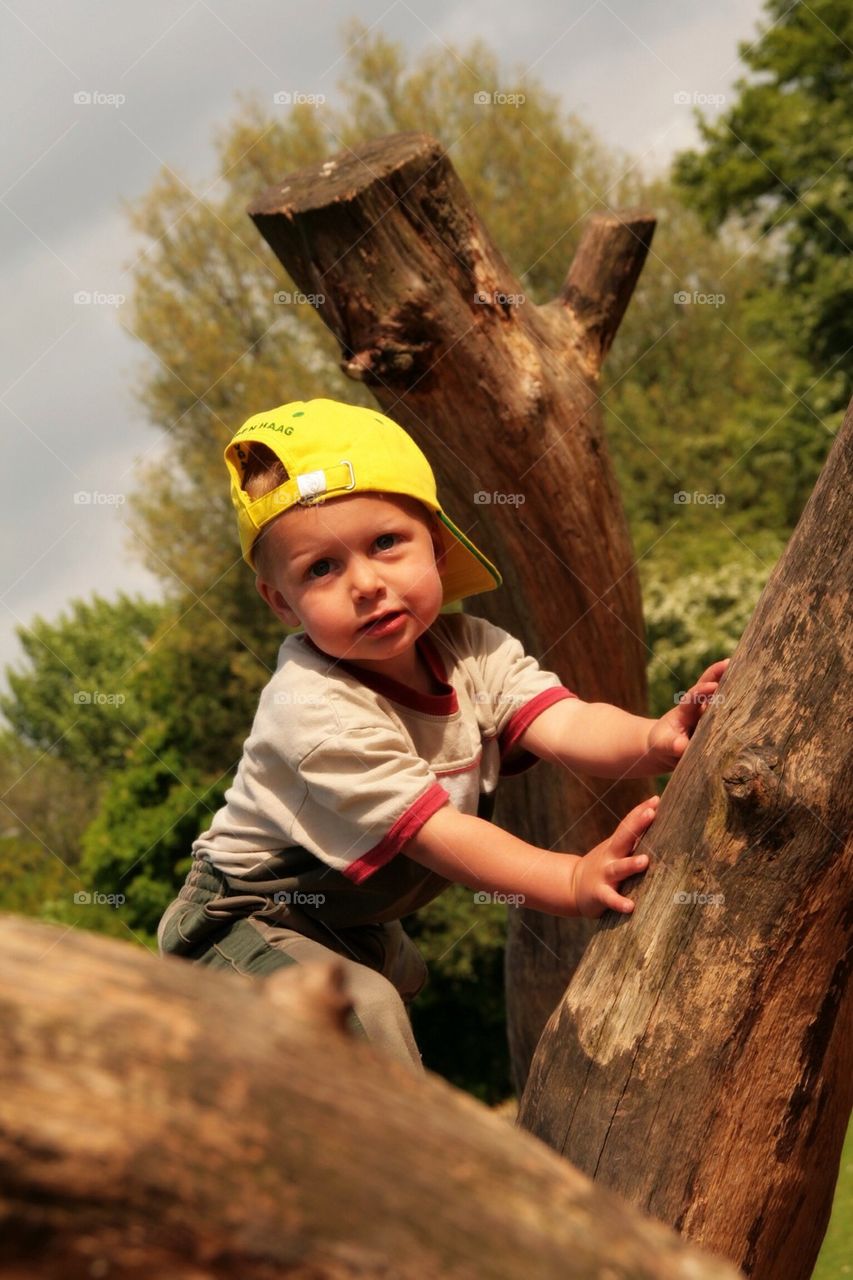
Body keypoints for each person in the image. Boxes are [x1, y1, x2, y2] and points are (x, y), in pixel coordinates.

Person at [157, 397, 728, 1075]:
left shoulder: (471, 650)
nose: (366, 584)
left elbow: (565, 721)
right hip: (241, 919)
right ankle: (396, 1175)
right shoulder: (312, 709)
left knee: (391, 984)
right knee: (360, 1012)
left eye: (385, 544)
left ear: (438, 543)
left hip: (351, 922)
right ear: (280, 601)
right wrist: (569, 876)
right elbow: (446, 840)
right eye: (320, 569)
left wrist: (655, 738)